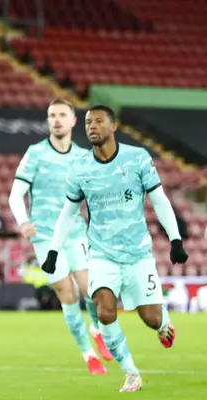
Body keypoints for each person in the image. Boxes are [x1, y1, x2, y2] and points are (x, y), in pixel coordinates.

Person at [42, 105, 187, 392]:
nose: (91, 126)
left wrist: (176, 240)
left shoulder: (138, 158)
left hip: (138, 254)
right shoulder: (80, 168)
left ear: (113, 126)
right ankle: (131, 373)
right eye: (87, 122)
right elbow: (68, 213)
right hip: (101, 254)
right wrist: (53, 251)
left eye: (98, 121)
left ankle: (162, 322)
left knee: (150, 318)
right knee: (105, 311)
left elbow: (159, 201)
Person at [8, 99, 111, 375]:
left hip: (75, 231)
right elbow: (15, 194)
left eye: (62, 115)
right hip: (44, 235)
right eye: (52, 115)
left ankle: (96, 330)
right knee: (66, 293)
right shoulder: (35, 153)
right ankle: (88, 354)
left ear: (73, 121)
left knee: (91, 291)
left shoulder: (82, 157)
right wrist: (23, 221)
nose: (56, 120)